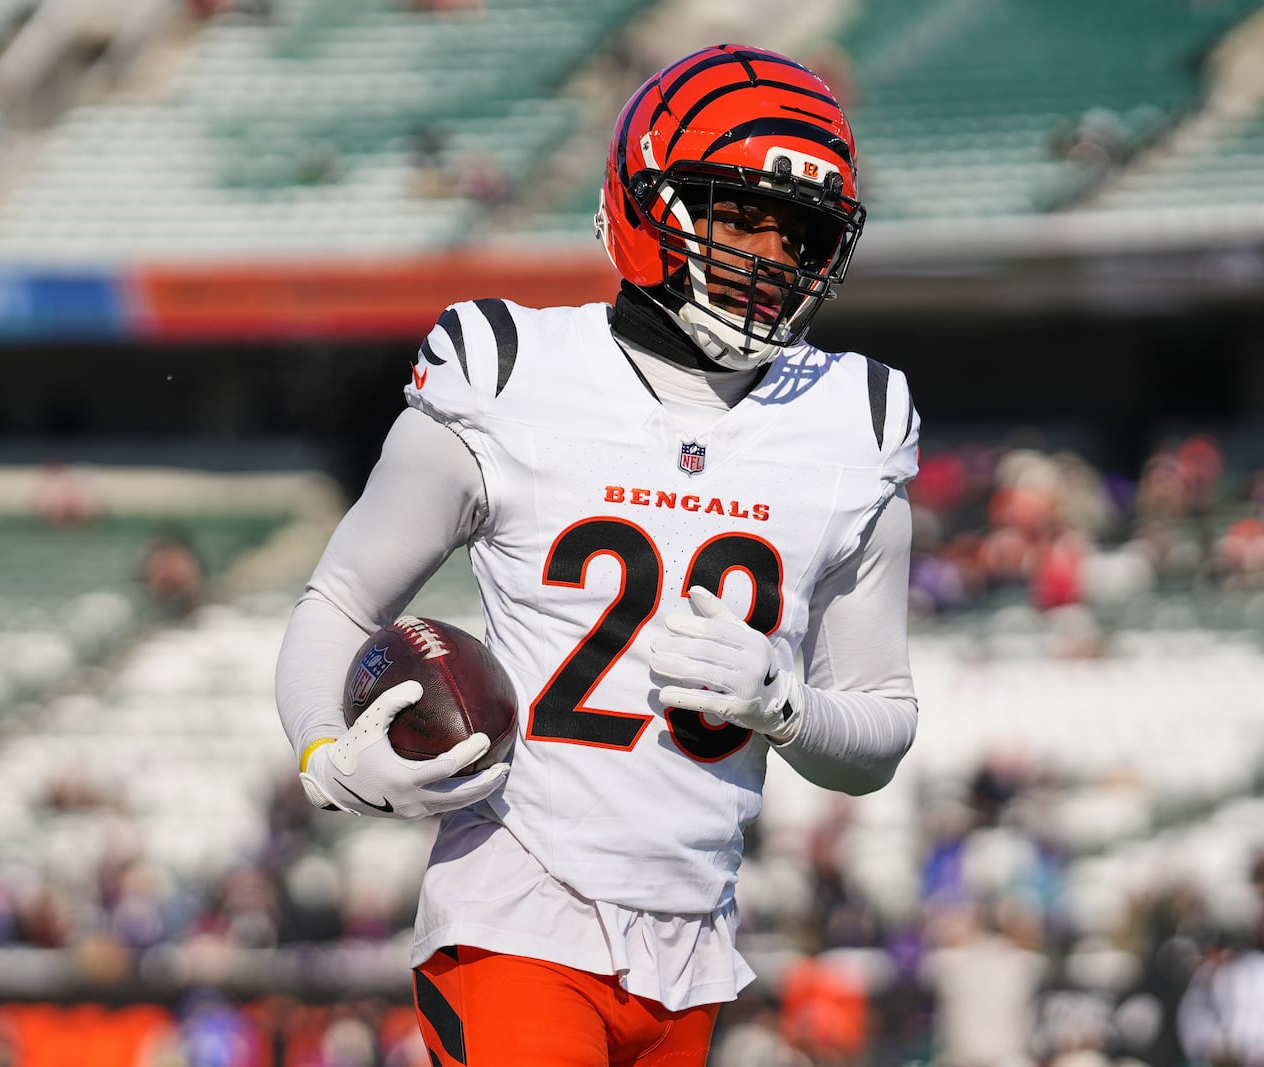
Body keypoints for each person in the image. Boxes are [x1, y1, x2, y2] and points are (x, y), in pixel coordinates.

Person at [275, 43, 920, 1066]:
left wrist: (786, 702)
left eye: (796, 231)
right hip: (514, 908)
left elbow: (880, 728)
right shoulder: (508, 370)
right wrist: (326, 751)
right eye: (736, 212)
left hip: (694, 933)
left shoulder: (854, 419)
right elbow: (342, 596)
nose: (769, 251)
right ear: (648, 199)